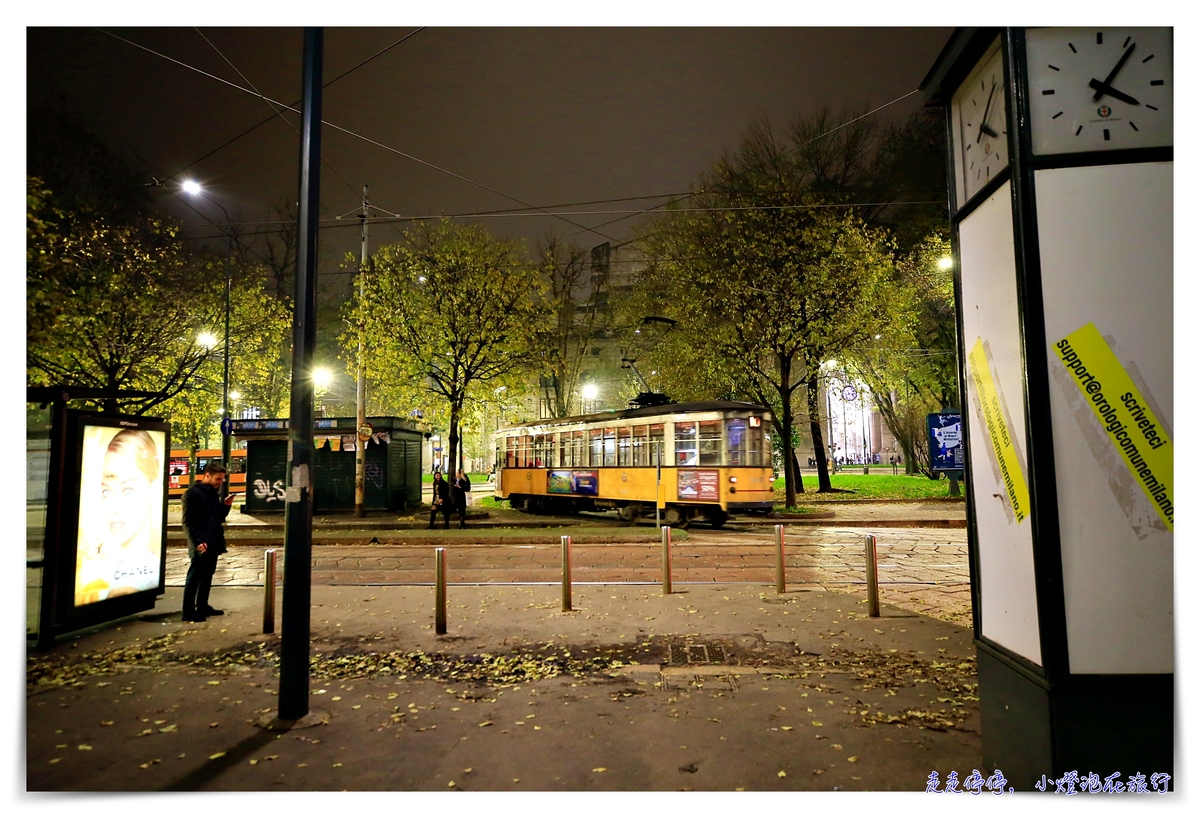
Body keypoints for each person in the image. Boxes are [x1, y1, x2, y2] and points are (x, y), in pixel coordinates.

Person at [75, 429, 163, 606]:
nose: (114, 507)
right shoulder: (92, 569)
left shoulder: (145, 574)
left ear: (153, 491)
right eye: (106, 491)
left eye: (128, 490)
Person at [181, 462, 235, 622]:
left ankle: (202, 606)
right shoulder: (192, 494)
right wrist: (197, 541)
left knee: (207, 575)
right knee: (195, 576)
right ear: (207, 475)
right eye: (218, 479)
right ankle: (188, 611)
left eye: (222, 480)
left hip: (213, 540)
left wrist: (225, 506)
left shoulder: (212, 493)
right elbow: (188, 522)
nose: (220, 482)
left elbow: (217, 517)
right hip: (202, 542)